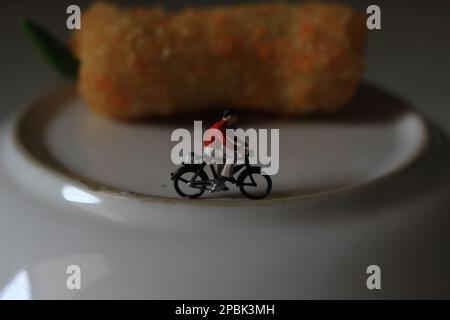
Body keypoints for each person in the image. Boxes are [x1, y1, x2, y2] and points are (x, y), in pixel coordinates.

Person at [203, 109, 240, 190]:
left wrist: (241, 144)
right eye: (235, 117)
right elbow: (225, 142)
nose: (236, 119)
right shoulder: (220, 126)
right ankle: (226, 176)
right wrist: (237, 148)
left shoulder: (224, 125)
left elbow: (231, 137)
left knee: (223, 161)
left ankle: (220, 182)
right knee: (233, 155)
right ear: (230, 117)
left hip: (214, 147)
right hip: (211, 149)